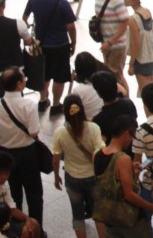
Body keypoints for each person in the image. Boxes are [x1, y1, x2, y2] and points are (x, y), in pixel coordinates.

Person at [0, 68, 43, 227]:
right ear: (18, 84)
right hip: (27, 153)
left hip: (4, 153)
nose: (26, 80)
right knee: (34, 194)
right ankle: (36, 228)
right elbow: (34, 131)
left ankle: (16, 227)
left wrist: (0, 133)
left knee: (12, 195)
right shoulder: (28, 104)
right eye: (24, 77)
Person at [94, 115, 153, 235]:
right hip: (127, 217)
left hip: (109, 214)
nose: (131, 141)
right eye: (132, 136)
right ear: (126, 133)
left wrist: (130, 170)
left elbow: (108, 178)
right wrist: (152, 207)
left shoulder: (97, 154)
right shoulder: (123, 159)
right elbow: (129, 195)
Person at [21, 0, 77, 115]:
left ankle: (42, 100)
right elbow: (71, 26)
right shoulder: (62, 3)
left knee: (44, 74)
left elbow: (24, 19)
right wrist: (74, 43)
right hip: (60, 45)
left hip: (42, 45)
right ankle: (56, 104)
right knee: (59, 77)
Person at [51, 94, 104, 238]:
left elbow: (56, 159)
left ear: (64, 111)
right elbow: (100, 153)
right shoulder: (93, 128)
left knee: (77, 214)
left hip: (72, 177)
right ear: (82, 108)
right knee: (99, 214)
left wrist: (56, 177)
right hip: (93, 177)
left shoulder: (60, 132)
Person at [124, 0, 153, 95]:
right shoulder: (147, 11)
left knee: (146, 95)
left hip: (141, 60)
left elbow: (135, 43)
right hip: (152, 57)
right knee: (152, 91)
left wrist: (131, 64)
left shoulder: (133, 19)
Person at [91, 70, 138, 143]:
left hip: (114, 153)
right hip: (131, 149)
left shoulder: (99, 120)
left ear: (98, 93)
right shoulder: (129, 104)